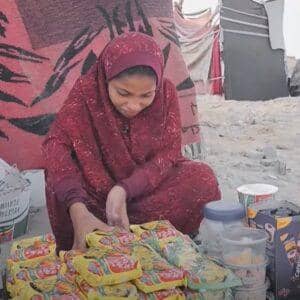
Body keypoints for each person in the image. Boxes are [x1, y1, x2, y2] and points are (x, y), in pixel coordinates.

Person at [43, 32, 221, 253]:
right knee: (57, 180)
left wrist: (124, 189)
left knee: (201, 178)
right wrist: (78, 208)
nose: (133, 105)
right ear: (106, 77)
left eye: (146, 96)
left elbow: (167, 155)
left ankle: (144, 237)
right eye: (123, 93)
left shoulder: (166, 95)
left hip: (143, 191)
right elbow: (55, 145)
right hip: (94, 201)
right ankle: (87, 230)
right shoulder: (86, 92)